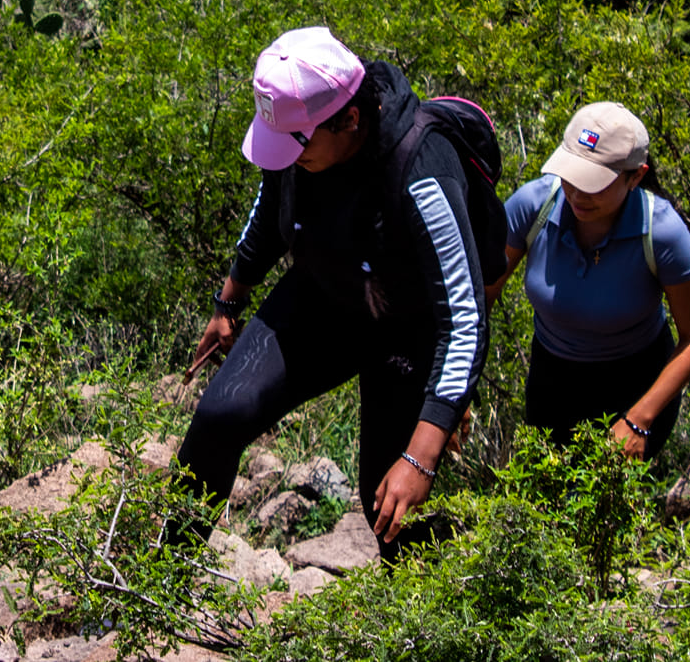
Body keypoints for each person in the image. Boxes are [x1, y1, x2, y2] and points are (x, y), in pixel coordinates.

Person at [174, 27, 489, 559]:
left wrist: (423, 450)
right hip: (325, 296)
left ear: (350, 119)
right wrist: (229, 301)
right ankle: (160, 581)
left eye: (297, 145)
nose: (286, 156)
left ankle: (443, 621)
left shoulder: (421, 167)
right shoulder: (298, 146)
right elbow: (269, 215)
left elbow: (465, 317)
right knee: (219, 417)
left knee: (386, 506)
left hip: (407, 332)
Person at [488, 102, 690, 462]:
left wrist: (639, 421)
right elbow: (479, 297)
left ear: (635, 177)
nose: (577, 194)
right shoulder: (535, 204)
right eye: (571, 176)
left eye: (595, 184)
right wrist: (455, 396)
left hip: (636, 386)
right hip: (552, 384)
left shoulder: (661, 232)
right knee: (550, 504)